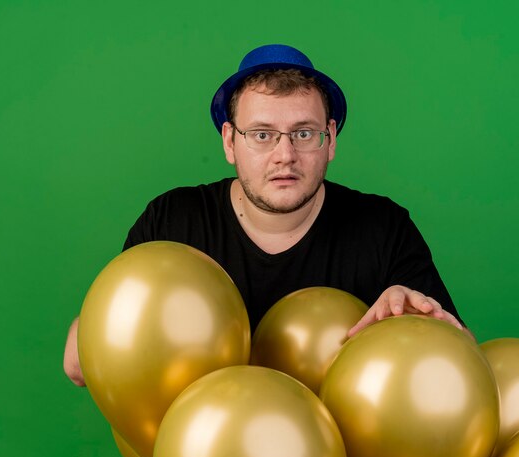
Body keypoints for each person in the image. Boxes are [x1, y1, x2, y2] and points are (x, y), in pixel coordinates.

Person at [64, 44, 468, 387]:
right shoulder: (173, 222)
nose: (285, 154)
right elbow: (79, 364)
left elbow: (462, 366)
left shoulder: (383, 227)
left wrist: (420, 325)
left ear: (330, 140)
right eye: (262, 135)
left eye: (303, 133)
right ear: (229, 141)